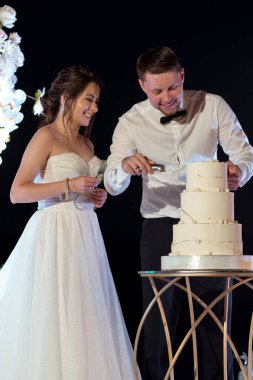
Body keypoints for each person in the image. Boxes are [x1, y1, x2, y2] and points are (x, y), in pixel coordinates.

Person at [103, 46, 253, 380]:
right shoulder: (130, 122)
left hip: (208, 223)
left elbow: (244, 152)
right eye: (157, 91)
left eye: (173, 87)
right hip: (160, 225)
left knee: (213, 315)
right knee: (158, 319)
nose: (167, 97)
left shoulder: (212, 105)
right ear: (143, 85)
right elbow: (113, 183)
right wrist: (125, 166)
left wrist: (239, 172)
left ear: (182, 75)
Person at [0, 65, 140, 380]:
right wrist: (69, 187)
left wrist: (90, 197)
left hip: (85, 234)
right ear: (67, 97)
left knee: (85, 314)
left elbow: (81, 187)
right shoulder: (45, 136)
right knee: (53, 314)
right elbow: (17, 192)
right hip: (54, 233)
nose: (94, 108)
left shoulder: (87, 144)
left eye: (97, 101)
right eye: (88, 100)